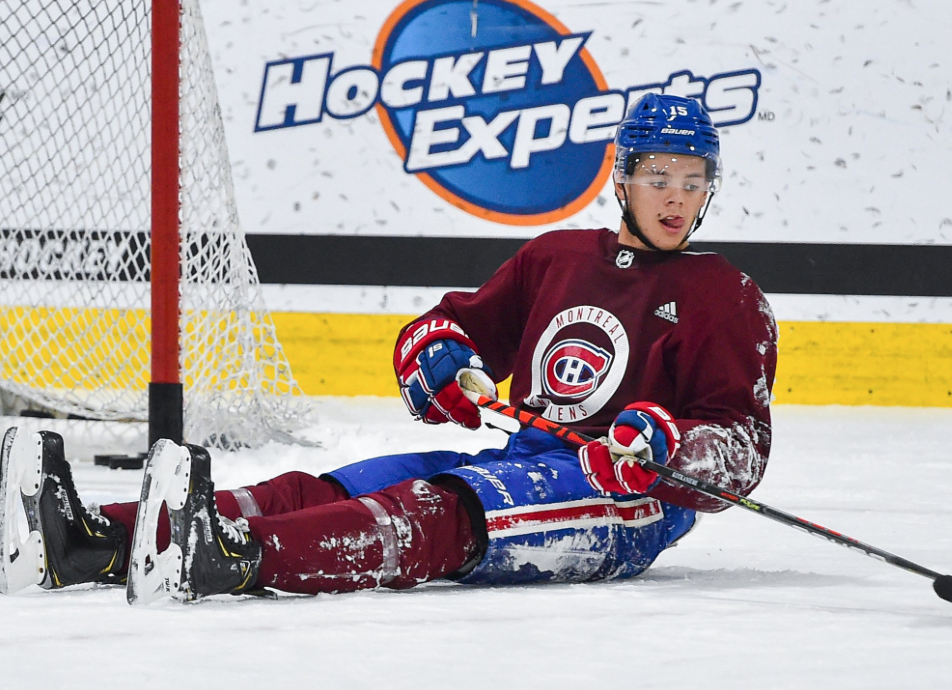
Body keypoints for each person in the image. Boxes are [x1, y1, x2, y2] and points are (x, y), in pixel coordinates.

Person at [0, 94, 778, 603]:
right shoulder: (557, 258)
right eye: (657, 175)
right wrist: (435, 357)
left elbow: (738, 450)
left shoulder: (726, 296)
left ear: (711, 186)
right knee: (323, 487)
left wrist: (665, 447)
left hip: (623, 503)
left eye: (693, 178)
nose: (676, 195)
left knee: (435, 513)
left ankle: (228, 555)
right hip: (522, 457)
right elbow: (447, 330)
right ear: (622, 177)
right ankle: (93, 538)